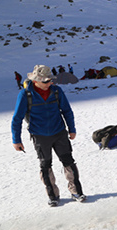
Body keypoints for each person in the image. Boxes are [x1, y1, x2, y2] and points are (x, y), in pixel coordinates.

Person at [11, 65, 86, 207]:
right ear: (36, 81)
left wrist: (72, 129)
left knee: (68, 161)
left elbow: (67, 110)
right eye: (46, 81)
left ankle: (76, 191)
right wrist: (16, 140)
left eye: (50, 80)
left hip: (59, 132)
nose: (50, 83)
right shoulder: (25, 94)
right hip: (40, 136)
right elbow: (17, 119)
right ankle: (53, 196)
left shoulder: (57, 91)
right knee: (45, 166)